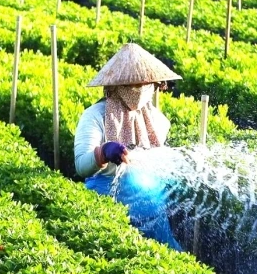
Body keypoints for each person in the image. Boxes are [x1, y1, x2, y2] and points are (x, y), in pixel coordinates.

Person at [74, 43, 183, 250]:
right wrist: (103, 153)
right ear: (115, 85)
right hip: (106, 202)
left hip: (150, 206)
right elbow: (81, 165)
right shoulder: (96, 116)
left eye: (145, 84)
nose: (139, 90)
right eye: (132, 85)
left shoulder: (157, 121)